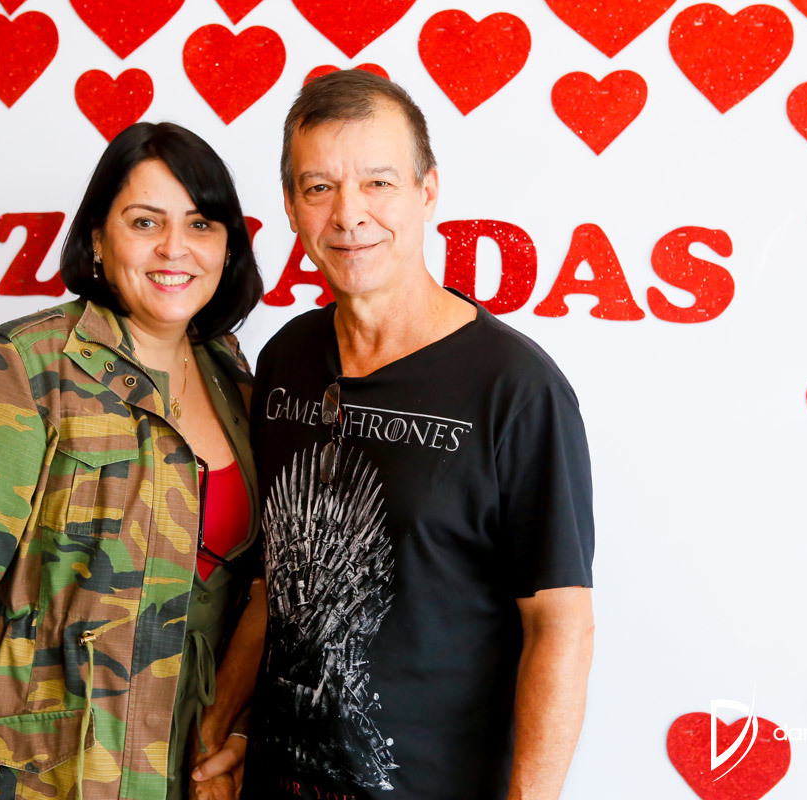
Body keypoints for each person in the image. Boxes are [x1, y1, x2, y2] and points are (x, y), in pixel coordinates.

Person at [0, 122, 265, 800]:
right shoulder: (19, 368)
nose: (175, 248)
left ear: (227, 246)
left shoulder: (235, 378)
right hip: (54, 773)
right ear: (98, 238)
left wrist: (240, 731)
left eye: (200, 224)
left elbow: (255, 590)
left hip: (193, 763)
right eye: (145, 221)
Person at [240, 70, 596, 799]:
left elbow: (560, 624)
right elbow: (268, 584)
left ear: (427, 191)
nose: (349, 214)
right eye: (319, 188)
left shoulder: (515, 388)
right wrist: (227, 728)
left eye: (378, 183)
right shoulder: (285, 360)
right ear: (291, 207)